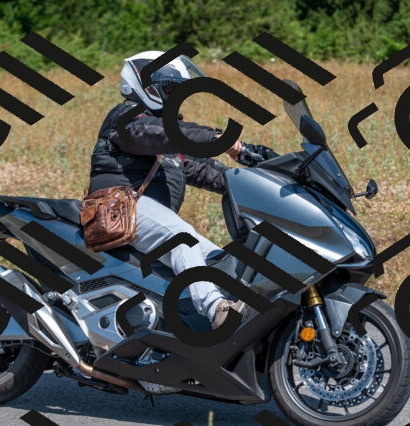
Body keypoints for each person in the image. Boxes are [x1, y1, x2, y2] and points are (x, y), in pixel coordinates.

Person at [87, 51, 278, 330]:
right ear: (145, 84)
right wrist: (216, 138)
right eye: (170, 89)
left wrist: (258, 181)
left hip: (146, 214)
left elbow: (205, 170)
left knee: (219, 261)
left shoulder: (165, 141)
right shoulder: (127, 118)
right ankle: (217, 312)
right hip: (118, 210)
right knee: (182, 239)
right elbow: (160, 133)